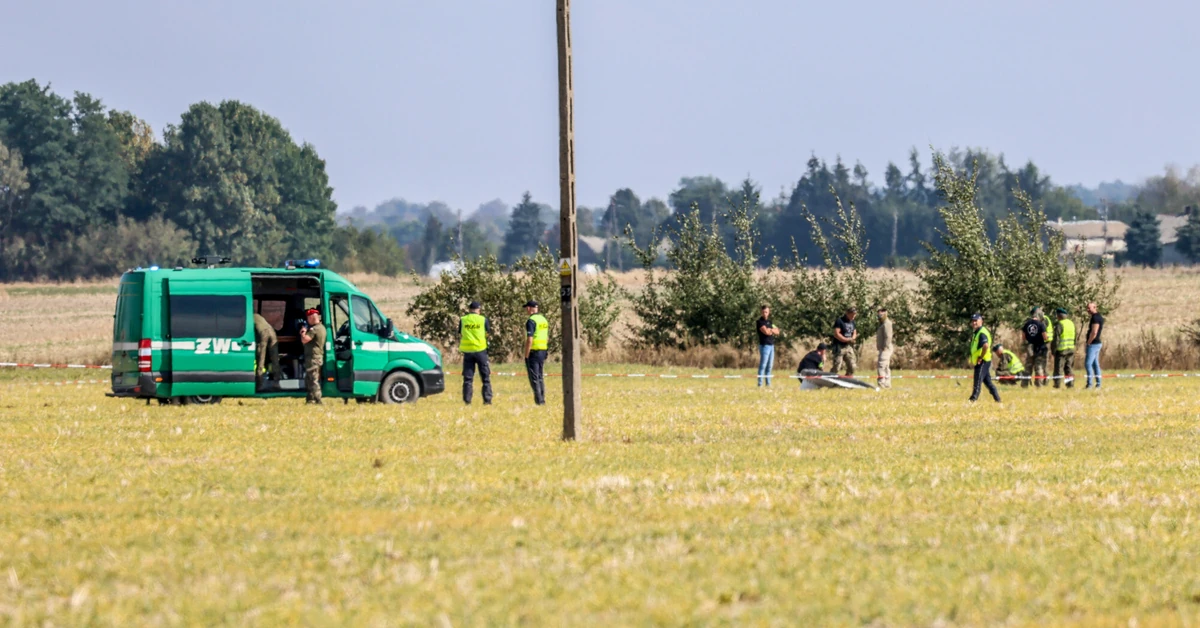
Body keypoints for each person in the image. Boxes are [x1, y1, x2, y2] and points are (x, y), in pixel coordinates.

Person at [459, 301, 493, 405]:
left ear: (469, 310)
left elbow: (460, 333)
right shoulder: (483, 319)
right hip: (480, 351)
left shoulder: (463, 320)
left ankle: (467, 401)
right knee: (485, 377)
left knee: (468, 378)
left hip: (468, 352)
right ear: (479, 310)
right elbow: (488, 333)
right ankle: (487, 400)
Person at [968, 313, 1001, 403]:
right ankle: (998, 400)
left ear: (981, 321)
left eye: (976, 321)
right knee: (988, 383)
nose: (974, 323)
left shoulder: (982, 333)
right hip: (983, 360)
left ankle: (972, 400)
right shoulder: (977, 332)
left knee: (977, 381)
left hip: (982, 360)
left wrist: (981, 357)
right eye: (973, 321)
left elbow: (985, 345)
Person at [523, 300, 549, 405]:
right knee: (540, 376)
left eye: (526, 308)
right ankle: (542, 398)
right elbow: (546, 337)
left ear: (529, 308)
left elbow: (530, 340)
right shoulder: (543, 320)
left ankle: (539, 401)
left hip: (534, 352)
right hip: (543, 350)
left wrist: (526, 355)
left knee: (534, 378)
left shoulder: (531, 321)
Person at [299, 308, 326, 404]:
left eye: (308, 318)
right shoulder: (322, 328)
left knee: (313, 380)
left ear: (311, 318)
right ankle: (310, 399)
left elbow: (305, 340)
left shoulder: (315, 329)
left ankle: (318, 399)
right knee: (309, 379)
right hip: (316, 357)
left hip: (313, 358)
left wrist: (303, 332)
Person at [1021, 306, 1050, 388]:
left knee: (1028, 367)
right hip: (1039, 348)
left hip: (1030, 348)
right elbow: (1045, 337)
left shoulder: (1027, 324)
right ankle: (1039, 385)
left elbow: (1023, 337)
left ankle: (1024, 384)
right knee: (1039, 367)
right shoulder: (1041, 324)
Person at [253, 312, 280, 389]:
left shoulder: (249, 316)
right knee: (275, 359)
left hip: (263, 333)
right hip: (272, 331)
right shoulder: (258, 316)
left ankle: (259, 383)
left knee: (261, 359)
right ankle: (277, 382)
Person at [1052, 307, 1076, 389]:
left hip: (1061, 350)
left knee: (1059, 368)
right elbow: (1075, 337)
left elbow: (1056, 339)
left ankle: (1057, 384)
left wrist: (1053, 350)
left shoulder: (1060, 324)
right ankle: (1070, 384)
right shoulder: (1071, 323)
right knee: (1069, 368)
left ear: (1059, 316)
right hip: (1071, 349)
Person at [756, 305, 779, 387]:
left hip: (771, 346)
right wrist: (770, 331)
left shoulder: (770, 322)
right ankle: (760, 384)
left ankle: (768, 384)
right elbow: (766, 332)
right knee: (763, 365)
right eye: (763, 312)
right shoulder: (760, 322)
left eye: (766, 312)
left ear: (769, 312)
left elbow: (777, 331)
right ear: (761, 312)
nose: (765, 314)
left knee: (769, 366)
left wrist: (771, 330)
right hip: (764, 346)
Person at [830, 307, 858, 376]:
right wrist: (846, 339)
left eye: (855, 314)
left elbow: (854, 332)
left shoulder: (853, 322)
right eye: (852, 314)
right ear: (847, 313)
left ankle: (847, 378)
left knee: (852, 366)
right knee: (837, 366)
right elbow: (836, 334)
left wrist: (852, 338)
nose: (853, 316)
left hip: (848, 346)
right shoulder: (840, 321)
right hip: (839, 346)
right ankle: (830, 378)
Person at [1085, 301, 1105, 389]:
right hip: (1096, 344)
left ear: (1095, 307)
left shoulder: (1095, 318)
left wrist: (1089, 342)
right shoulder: (1097, 317)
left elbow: (1094, 332)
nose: (1088, 310)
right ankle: (1098, 384)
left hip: (1093, 344)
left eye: (1089, 308)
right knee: (1095, 364)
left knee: (1088, 364)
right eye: (1087, 308)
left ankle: (1089, 384)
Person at [875, 306, 894, 389]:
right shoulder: (882, 324)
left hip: (885, 348)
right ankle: (887, 384)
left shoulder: (887, 324)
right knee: (885, 366)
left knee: (881, 365)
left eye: (881, 314)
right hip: (883, 348)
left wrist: (884, 347)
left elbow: (888, 336)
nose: (879, 316)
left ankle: (881, 383)